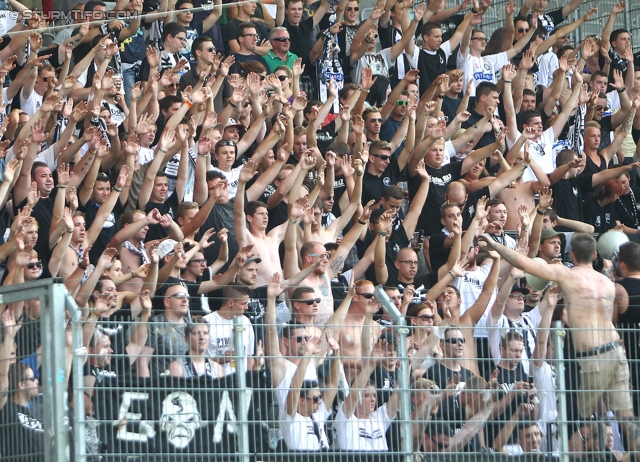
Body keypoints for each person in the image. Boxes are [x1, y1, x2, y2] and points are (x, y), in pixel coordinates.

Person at [479, 232, 639, 453]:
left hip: (591, 357)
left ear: (571, 254)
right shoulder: (608, 282)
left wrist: (494, 244)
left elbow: (523, 262)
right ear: (594, 255)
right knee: (626, 416)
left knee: (577, 423)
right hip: (616, 352)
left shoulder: (566, 274)